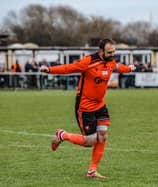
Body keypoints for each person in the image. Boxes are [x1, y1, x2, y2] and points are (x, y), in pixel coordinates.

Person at [40, 38, 136, 178]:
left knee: (102, 136)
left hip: (100, 105)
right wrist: (49, 70)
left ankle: (92, 170)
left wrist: (128, 69)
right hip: (85, 107)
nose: (113, 54)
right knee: (89, 142)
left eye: (114, 51)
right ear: (101, 51)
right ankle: (62, 135)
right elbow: (69, 68)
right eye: (110, 52)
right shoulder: (88, 61)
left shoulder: (110, 62)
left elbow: (117, 67)